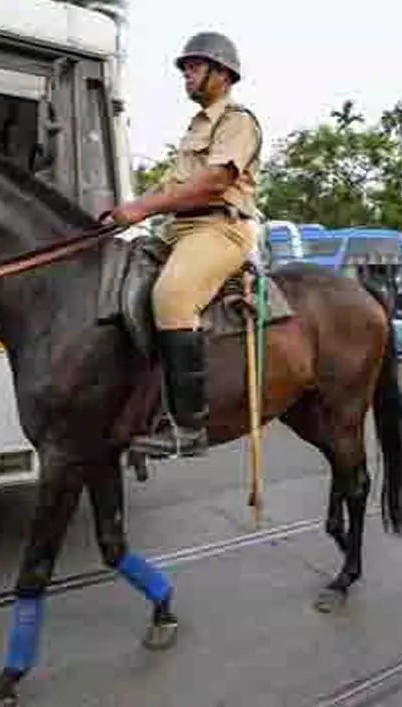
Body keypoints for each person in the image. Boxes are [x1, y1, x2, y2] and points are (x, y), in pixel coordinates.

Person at [109, 31, 263, 458]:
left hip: (219, 228)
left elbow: (214, 183)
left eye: (194, 67)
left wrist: (140, 209)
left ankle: (189, 429)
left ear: (223, 74)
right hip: (177, 231)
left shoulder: (237, 120)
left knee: (172, 298)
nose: (187, 76)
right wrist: (122, 211)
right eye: (186, 69)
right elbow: (171, 187)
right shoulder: (195, 127)